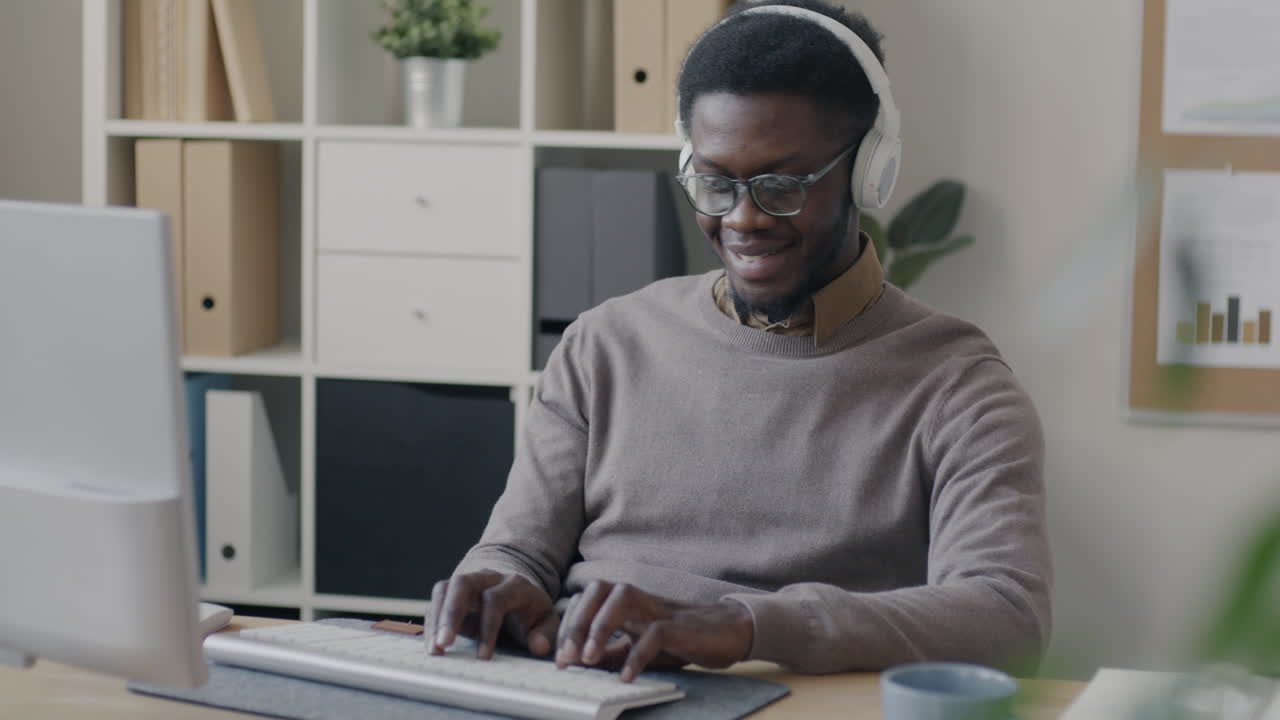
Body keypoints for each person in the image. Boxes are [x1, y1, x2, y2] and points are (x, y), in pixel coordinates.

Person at [428, 0, 1051, 681]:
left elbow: (1007, 616)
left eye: (782, 185)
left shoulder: (958, 385)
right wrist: (492, 582)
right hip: (587, 690)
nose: (744, 219)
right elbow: (518, 553)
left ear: (871, 171)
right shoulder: (604, 345)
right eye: (716, 182)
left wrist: (747, 626)